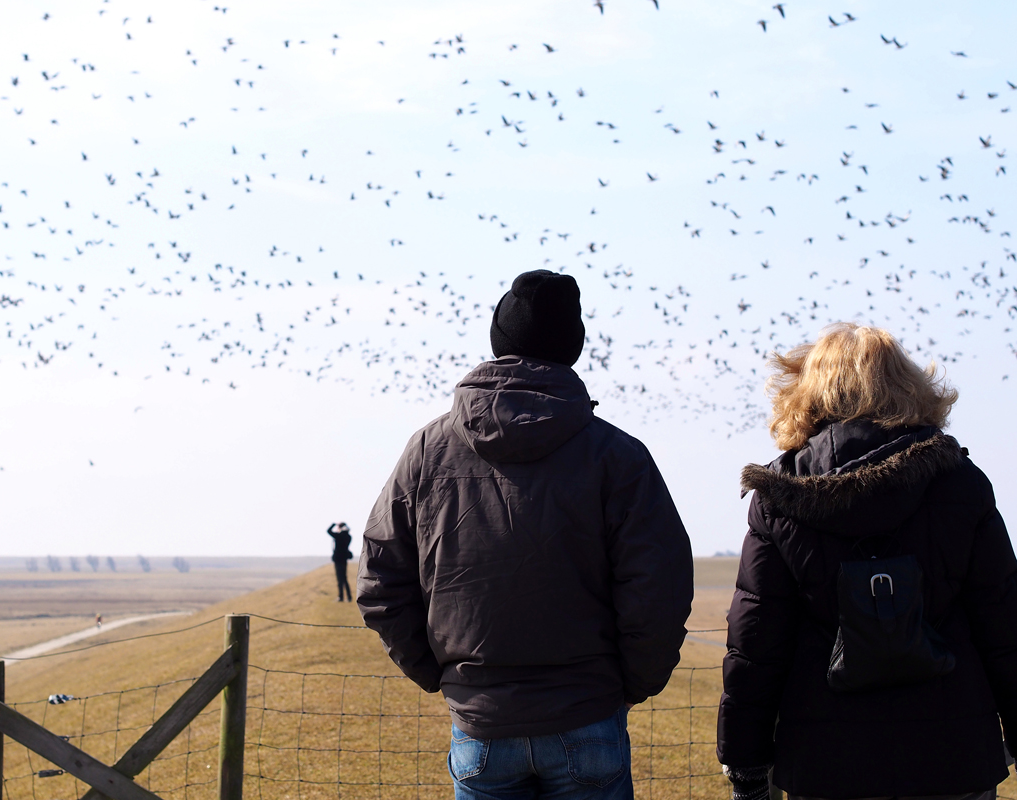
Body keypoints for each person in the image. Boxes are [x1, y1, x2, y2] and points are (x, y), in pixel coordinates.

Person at [357, 269, 694, 800]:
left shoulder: (426, 450)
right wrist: (629, 685)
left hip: (480, 724)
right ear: (572, 347)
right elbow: (659, 587)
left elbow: (379, 580)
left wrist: (448, 678)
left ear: (499, 340)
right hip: (588, 715)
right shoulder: (618, 456)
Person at [718, 323, 1017, 800]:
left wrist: (747, 765)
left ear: (811, 391)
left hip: (826, 762)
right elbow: (1004, 625)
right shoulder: (961, 482)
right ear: (909, 386)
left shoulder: (781, 493)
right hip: (952, 757)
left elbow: (756, 640)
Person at [328, 522, 353, 601]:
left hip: (338, 559)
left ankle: (341, 596)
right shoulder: (348, 536)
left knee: (340, 579)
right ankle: (349, 597)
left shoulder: (338, 536)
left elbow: (328, 531)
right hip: (344, 559)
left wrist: (334, 524)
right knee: (344, 578)